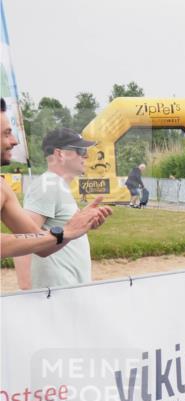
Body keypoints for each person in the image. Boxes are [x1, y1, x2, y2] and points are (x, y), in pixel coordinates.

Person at [0, 102, 111, 263]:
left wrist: (74, 227)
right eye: (6, 133)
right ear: (59, 153)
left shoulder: (3, 187)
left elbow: (38, 245)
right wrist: (65, 231)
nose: (15, 141)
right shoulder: (47, 185)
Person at [12, 128, 110, 290]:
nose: (85, 155)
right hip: (57, 292)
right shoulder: (47, 185)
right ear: (60, 154)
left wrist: (85, 221)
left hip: (67, 289)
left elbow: (65, 230)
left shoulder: (56, 185)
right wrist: (26, 288)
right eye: (80, 150)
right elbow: (23, 238)